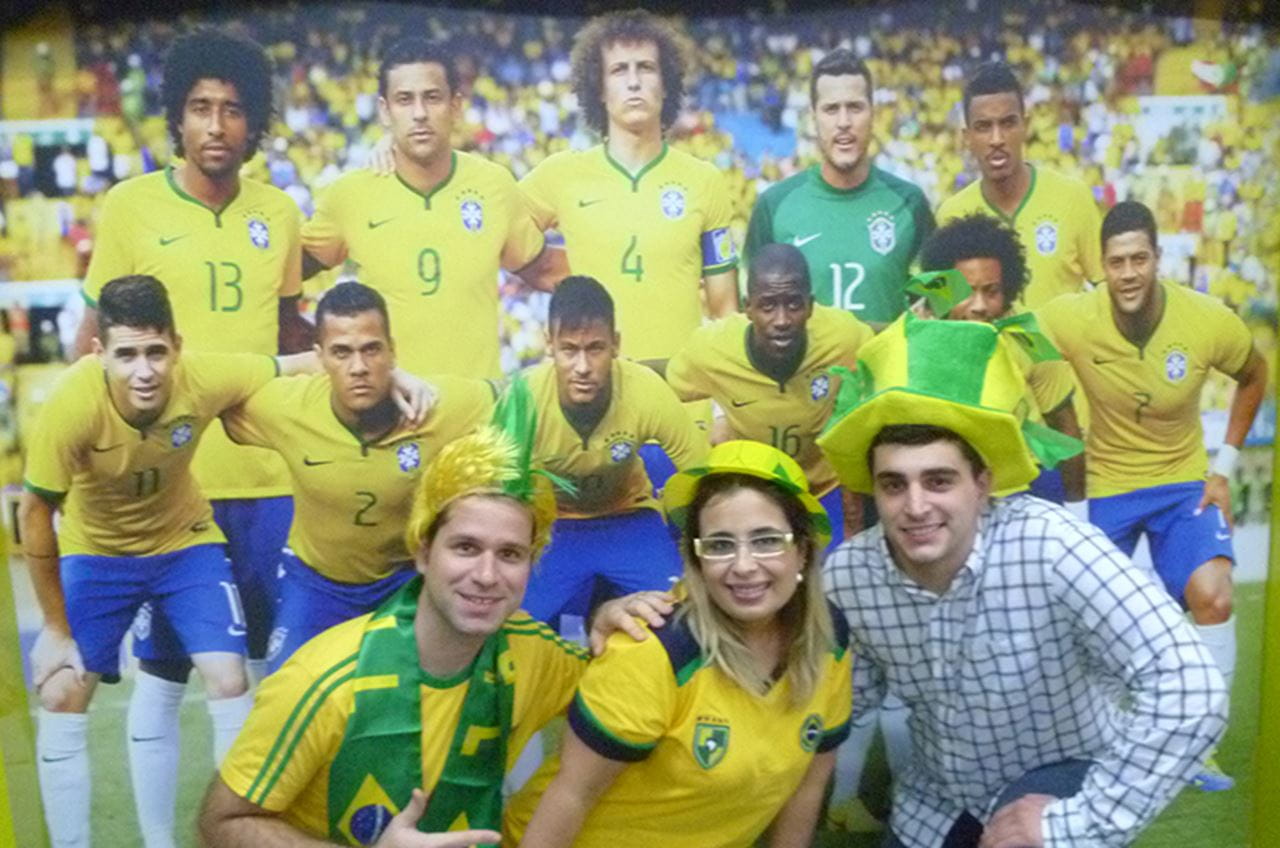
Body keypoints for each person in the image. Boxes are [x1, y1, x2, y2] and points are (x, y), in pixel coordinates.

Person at [815, 313, 1226, 847]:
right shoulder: (851, 576)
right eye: (894, 484)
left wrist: (1070, 826)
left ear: (983, 483)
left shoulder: (1052, 546)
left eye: (939, 480)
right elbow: (829, 707)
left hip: (1064, 780)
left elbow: (1191, 685)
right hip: (937, 802)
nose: (915, 506)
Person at [72, 31, 306, 846]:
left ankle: (249, 826)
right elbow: (93, 346)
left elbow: (286, 331)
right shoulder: (131, 206)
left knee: (277, 674)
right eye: (201, 107)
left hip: (274, 482)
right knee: (167, 675)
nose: (216, 124)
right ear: (177, 116)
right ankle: (158, 840)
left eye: (233, 109)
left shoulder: (277, 212)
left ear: (254, 122)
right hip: (175, 491)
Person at [19, 276, 327, 848]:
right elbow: (35, 513)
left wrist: (400, 376)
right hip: (98, 553)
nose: (144, 371)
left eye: (156, 352)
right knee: (62, 690)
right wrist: (55, 629)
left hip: (184, 545)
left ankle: (232, 836)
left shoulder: (205, 376)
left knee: (229, 679)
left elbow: (304, 361)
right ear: (99, 353)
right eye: (127, 355)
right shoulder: (71, 403)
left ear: (177, 347)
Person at [198, 411, 589, 846]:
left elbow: (623, 685)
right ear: (423, 551)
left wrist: (619, 617)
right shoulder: (323, 681)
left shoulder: (535, 653)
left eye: (510, 554)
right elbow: (220, 824)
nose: (486, 574)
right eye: (465, 547)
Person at [507, 440, 852, 847]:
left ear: (803, 551)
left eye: (766, 541)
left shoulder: (829, 638)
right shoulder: (653, 650)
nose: (744, 566)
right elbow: (569, 797)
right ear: (697, 562)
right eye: (721, 545)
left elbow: (808, 783)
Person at [1037, 200, 1267, 791]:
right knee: (1075, 622)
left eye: (1140, 258)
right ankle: (1092, 741)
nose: (1130, 272)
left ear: (1159, 259)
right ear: (1103, 269)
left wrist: (1226, 467)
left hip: (1182, 482)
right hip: (1108, 487)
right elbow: (1016, 348)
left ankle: (1200, 748)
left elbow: (1254, 374)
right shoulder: (1069, 317)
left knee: (1213, 596)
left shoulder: (1206, 320)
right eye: (1117, 262)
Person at [216, 282, 496, 671]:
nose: (359, 367)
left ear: (392, 351)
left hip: (405, 580)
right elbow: (213, 393)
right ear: (320, 358)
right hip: (317, 583)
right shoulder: (287, 408)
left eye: (372, 349)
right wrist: (294, 364)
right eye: (341, 353)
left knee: (437, 695)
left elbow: (518, 396)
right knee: (284, 698)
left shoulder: (436, 407)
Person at [304, 37, 565, 380]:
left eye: (432, 97)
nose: (419, 114)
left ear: (455, 106)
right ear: (384, 110)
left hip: (477, 415)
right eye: (404, 100)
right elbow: (278, 272)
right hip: (388, 413)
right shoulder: (349, 194)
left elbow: (543, 269)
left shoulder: (493, 185)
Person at [519, 10, 738, 365]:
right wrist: (549, 269)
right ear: (600, 89)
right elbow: (491, 226)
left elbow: (726, 309)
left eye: (646, 68)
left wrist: (728, 407)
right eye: (620, 70)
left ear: (666, 86)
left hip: (683, 401)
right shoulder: (560, 175)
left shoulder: (704, 180)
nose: (634, 82)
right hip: (597, 396)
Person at [522, 275, 709, 632]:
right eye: (569, 349)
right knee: (509, 631)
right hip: (555, 529)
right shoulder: (526, 399)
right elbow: (499, 496)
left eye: (595, 348)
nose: (582, 367)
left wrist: (701, 556)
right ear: (549, 345)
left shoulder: (645, 390)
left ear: (616, 344)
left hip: (629, 517)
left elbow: (704, 477)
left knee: (686, 622)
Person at [663, 242, 872, 550]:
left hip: (822, 488)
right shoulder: (710, 349)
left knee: (835, 582)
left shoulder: (845, 336)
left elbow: (873, 384)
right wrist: (718, 414)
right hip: (751, 491)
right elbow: (674, 395)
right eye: (768, 306)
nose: (782, 320)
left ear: (811, 305)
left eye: (793, 304)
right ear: (748, 307)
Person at [745, 48, 934, 329]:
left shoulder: (910, 202)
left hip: (886, 372)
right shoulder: (774, 205)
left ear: (873, 113)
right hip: (803, 374)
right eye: (831, 109)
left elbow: (940, 297)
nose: (844, 122)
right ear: (813, 117)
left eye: (855, 107)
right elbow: (751, 307)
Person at [918, 213, 1085, 503]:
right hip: (951, 483)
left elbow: (1063, 421)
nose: (980, 306)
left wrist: (1077, 509)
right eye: (966, 293)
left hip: (1029, 479)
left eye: (991, 291)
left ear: (1008, 287)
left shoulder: (1029, 333)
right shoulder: (922, 335)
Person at [936, 61, 1103, 309]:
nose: (997, 139)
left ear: (1025, 126)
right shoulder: (951, 216)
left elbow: (1106, 288)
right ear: (967, 137)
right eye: (983, 127)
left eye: (1007, 123)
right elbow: (944, 315)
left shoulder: (1072, 198)